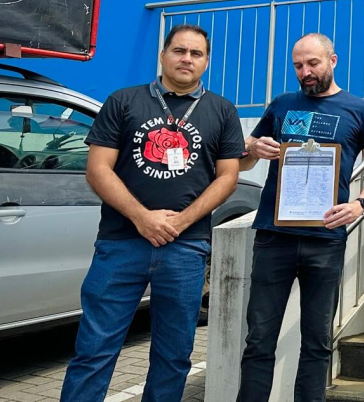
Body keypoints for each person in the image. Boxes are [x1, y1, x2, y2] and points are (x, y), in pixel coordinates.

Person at [62, 25, 244, 402]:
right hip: (121, 243)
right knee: (94, 351)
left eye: (196, 53)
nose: (187, 59)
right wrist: (143, 217)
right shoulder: (123, 101)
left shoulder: (222, 110)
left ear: (206, 62)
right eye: (179, 51)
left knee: (173, 356)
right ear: (162, 56)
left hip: (186, 248)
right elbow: (97, 169)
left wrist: (180, 221)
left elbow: (227, 177)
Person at [237, 34, 364, 402]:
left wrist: (360, 204)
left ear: (332, 60)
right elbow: (244, 162)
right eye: (298, 66)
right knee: (259, 337)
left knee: (318, 340)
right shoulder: (282, 104)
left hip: (325, 239)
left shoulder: (360, 110)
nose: (305, 72)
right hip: (274, 237)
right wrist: (252, 147)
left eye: (313, 64)